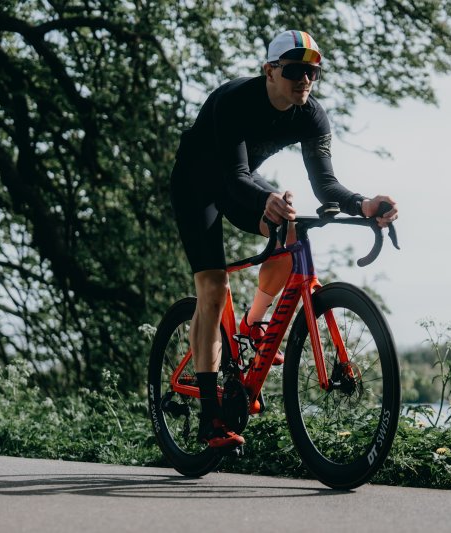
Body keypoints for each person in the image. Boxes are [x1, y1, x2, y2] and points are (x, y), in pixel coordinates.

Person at [169, 30, 398, 449]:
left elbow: (326, 185)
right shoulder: (235, 100)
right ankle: (210, 419)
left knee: (290, 228)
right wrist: (266, 198)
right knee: (214, 287)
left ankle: (254, 323)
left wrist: (363, 204)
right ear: (269, 71)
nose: (305, 80)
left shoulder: (311, 114)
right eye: (295, 70)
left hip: (239, 184)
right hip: (196, 185)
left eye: (313, 72)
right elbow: (235, 175)